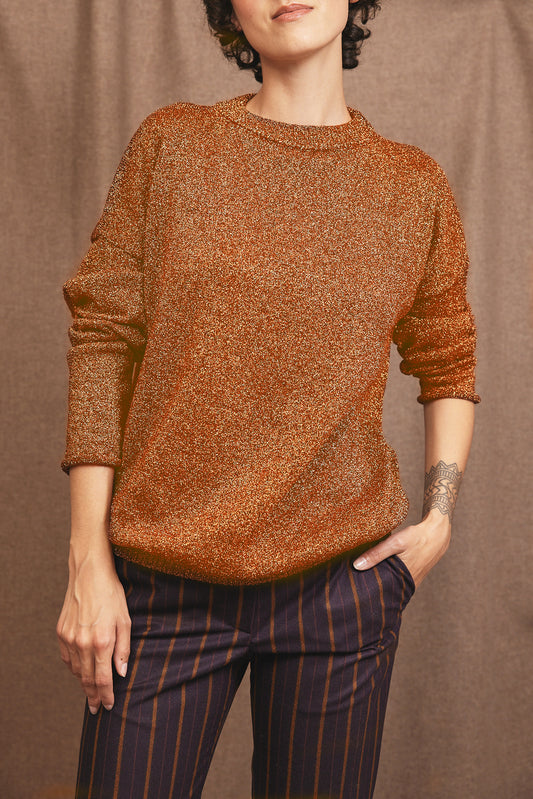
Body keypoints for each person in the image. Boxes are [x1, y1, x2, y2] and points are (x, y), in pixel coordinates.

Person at [56, 1, 481, 797]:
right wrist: (88, 562)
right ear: (229, 13)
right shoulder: (173, 146)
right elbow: (102, 340)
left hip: (339, 589)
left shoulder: (411, 184)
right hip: (162, 585)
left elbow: (448, 359)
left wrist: (437, 518)